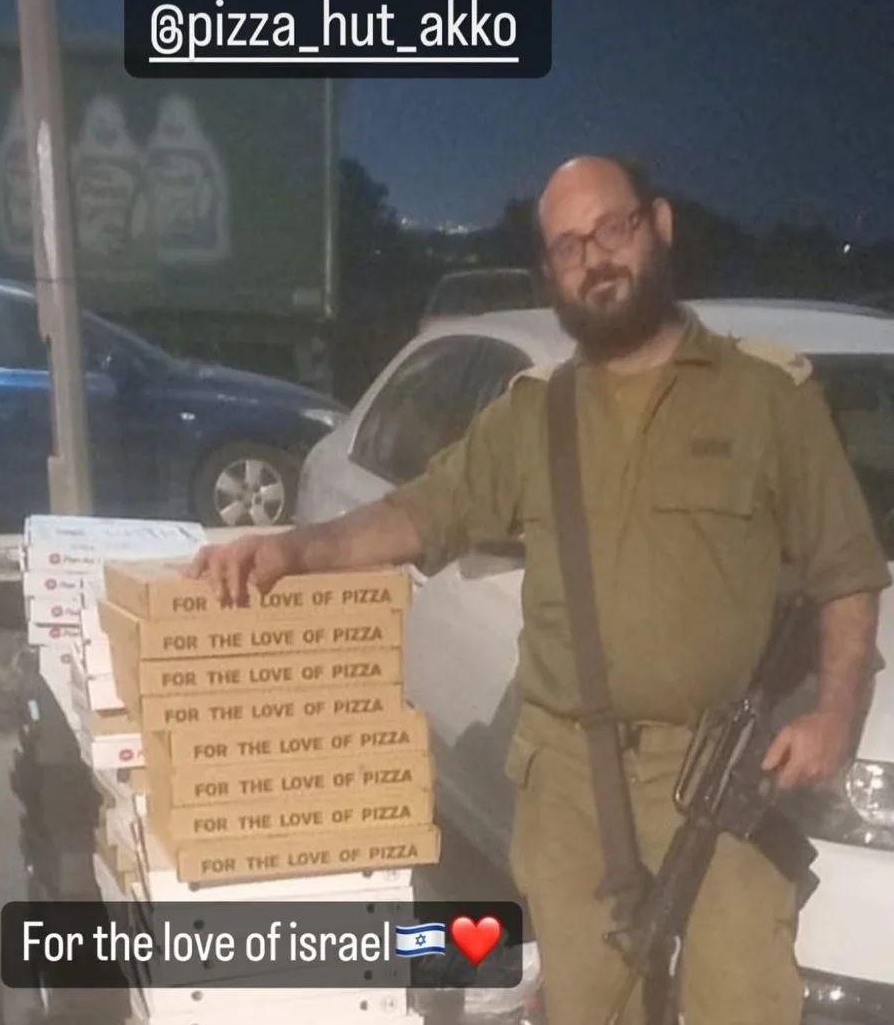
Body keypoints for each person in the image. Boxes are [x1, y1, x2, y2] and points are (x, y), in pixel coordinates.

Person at [188, 156, 890, 1024]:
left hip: (723, 771)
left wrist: (836, 715)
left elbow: (846, 568)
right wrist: (295, 549)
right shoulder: (533, 416)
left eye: (612, 229)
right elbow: (422, 513)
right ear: (551, 271)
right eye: (568, 246)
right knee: (590, 1007)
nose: (595, 259)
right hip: (570, 778)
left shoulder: (766, 401)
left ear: (659, 225)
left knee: (744, 1004)